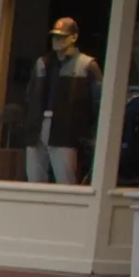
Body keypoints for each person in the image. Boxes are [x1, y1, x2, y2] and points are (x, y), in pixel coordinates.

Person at [25, 15, 102, 185]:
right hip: (37, 127)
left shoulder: (87, 64)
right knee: (34, 182)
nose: (57, 40)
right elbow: (31, 95)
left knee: (66, 182)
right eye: (54, 36)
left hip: (66, 131)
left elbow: (98, 101)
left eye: (62, 36)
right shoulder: (43, 63)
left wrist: (92, 134)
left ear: (74, 37)